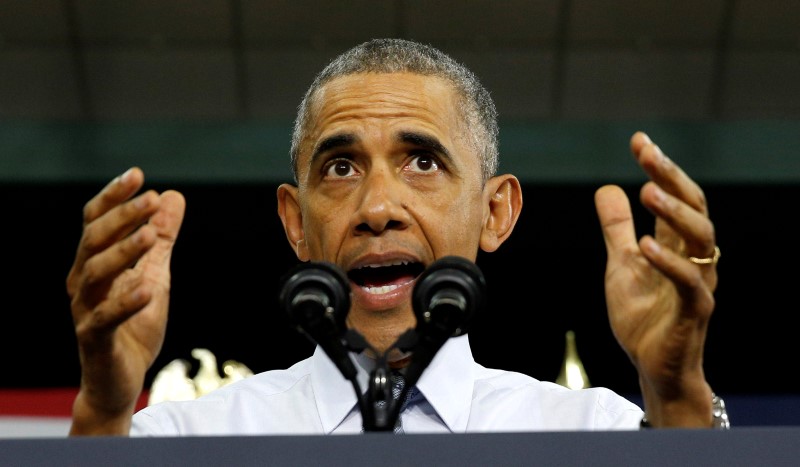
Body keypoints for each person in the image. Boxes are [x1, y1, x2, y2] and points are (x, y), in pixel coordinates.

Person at [66, 38, 725, 436]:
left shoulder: (593, 434)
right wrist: (103, 405)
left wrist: (676, 392)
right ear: (296, 222)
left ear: (496, 212)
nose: (377, 206)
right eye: (341, 167)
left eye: (423, 162)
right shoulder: (184, 439)